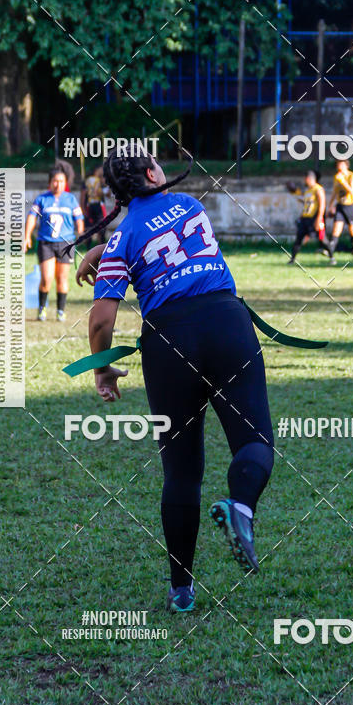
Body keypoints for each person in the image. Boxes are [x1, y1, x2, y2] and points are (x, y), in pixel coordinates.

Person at [73, 149, 274, 613]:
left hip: (167, 343)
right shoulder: (191, 206)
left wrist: (101, 366)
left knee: (181, 471)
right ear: (151, 174)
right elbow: (171, 242)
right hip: (226, 324)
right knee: (254, 440)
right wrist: (106, 249)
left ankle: (181, 590)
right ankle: (241, 506)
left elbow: (102, 319)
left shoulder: (121, 237)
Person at [24, 161, 84, 322]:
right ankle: (42, 309)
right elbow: (31, 217)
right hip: (46, 243)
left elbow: (79, 219)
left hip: (66, 244)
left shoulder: (70, 199)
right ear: (50, 182)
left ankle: (60, 311)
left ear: (66, 183)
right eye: (55, 181)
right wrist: (27, 236)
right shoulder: (42, 199)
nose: (58, 184)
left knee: (62, 279)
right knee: (46, 278)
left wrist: (80, 231)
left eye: (62, 181)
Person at [286, 170, 331, 264]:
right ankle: (292, 259)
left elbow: (322, 204)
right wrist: (294, 192)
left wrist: (319, 218)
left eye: (305, 179)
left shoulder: (318, 189)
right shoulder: (308, 190)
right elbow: (306, 202)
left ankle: (332, 257)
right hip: (305, 218)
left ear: (308, 178)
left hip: (314, 218)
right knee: (299, 238)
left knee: (322, 238)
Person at [327, 160, 353, 263]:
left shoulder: (352, 176)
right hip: (340, 206)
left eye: (341, 164)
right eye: (338, 165)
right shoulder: (337, 177)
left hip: (349, 205)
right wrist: (330, 205)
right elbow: (335, 191)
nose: (339, 167)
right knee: (336, 229)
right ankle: (331, 254)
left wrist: (343, 182)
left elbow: (352, 192)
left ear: (346, 165)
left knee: (352, 228)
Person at [80, 165, 107, 249]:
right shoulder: (98, 181)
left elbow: (83, 196)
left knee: (91, 228)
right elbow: (83, 196)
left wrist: (83, 209)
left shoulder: (88, 181)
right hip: (96, 206)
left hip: (91, 206)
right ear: (96, 171)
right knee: (100, 227)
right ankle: (100, 247)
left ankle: (89, 247)